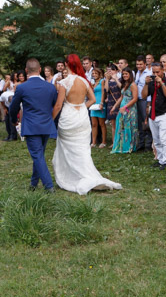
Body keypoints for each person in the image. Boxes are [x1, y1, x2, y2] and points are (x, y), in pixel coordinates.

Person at [51, 54, 122, 194]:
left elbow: (58, 105)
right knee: (82, 149)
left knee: (68, 149)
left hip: (68, 116)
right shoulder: (84, 81)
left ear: (66, 64)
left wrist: (50, 119)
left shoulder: (64, 83)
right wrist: (82, 106)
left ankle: (73, 176)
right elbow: (93, 99)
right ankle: (86, 174)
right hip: (82, 116)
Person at [8, 59, 58, 191]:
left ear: (26, 70)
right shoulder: (50, 87)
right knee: (39, 155)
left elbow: (13, 107)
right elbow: (54, 104)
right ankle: (33, 184)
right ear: (40, 69)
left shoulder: (22, 87)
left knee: (37, 155)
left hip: (31, 126)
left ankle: (49, 186)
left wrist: (14, 120)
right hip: (46, 125)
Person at [143, 61, 166, 169]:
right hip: (153, 114)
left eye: (158, 72)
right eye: (154, 72)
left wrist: (161, 83)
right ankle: (161, 160)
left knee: (164, 139)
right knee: (156, 139)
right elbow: (144, 95)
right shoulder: (151, 83)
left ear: (162, 70)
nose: (156, 74)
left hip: (165, 113)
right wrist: (146, 84)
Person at [110, 68, 138, 153]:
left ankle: (129, 146)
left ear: (130, 74)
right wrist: (114, 106)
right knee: (121, 126)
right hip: (122, 108)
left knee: (129, 126)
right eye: (123, 74)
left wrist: (125, 107)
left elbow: (135, 98)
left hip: (130, 109)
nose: (125, 75)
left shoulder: (133, 85)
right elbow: (121, 97)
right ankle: (121, 146)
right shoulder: (124, 84)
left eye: (126, 74)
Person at [133, 56, 153, 151]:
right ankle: (141, 143)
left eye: (141, 64)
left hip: (145, 100)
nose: (139, 66)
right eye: (137, 64)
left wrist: (148, 104)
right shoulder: (137, 73)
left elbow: (149, 89)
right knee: (140, 123)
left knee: (147, 122)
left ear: (145, 64)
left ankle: (148, 144)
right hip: (138, 100)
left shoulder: (148, 74)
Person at [103, 64, 123, 148]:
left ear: (116, 71)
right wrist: (107, 79)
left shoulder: (121, 79)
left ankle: (121, 142)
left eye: (112, 70)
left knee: (121, 123)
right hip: (111, 103)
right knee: (113, 124)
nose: (110, 72)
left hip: (120, 102)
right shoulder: (107, 80)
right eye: (108, 70)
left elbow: (121, 88)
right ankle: (114, 142)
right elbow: (106, 90)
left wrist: (115, 79)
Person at [89, 67, 108, 148]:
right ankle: (93, 142)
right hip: (93, 104)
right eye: (93, 73)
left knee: (101, 123)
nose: (94, 75)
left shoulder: (102, 81)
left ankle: (104, 141)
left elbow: (104, 92)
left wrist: (101, 103)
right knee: (94, 124)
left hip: (100, 103)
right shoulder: (92, 82)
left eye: (96, 73)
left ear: (99, 74)